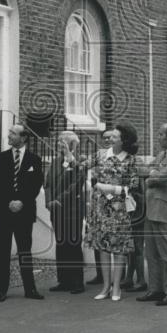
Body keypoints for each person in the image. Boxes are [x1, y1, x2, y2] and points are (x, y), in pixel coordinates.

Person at [0, 124, 45, 301]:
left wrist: (22, 201)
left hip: (24, 212)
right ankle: (1, 290)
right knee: (3, 251)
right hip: (4, 211)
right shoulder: (0, 158)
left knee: (25, 251)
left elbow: (36, 185)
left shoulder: (34, 159)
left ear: (23, 138)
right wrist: (9, 202)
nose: (9, 135)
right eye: (9, 132)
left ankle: (30, 289)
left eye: (13, 133)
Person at [84, 125, 139, 301]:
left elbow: (134, 185)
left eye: (115, 137)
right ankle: (106, 286)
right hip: (100, 206)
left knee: (119, 247)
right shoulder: (100, 154)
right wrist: (69, 155)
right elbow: (80, 165)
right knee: (103, 247)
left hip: (119, 208)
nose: (110, 139)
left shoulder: (130, 160)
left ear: (123, 141)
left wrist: (108, 188)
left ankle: (116, 287)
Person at [138, 123, 167, 307]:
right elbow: (145, 171)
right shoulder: (162, 155)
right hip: (151, 208)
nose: (158, 137)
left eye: (161, 134)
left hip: (164, 208)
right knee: (151, 252)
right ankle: (155, 288)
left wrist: (152, 174)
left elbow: (161, 177)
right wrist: (152, 173)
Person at [44, 130, 87, 294]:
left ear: (72, 144)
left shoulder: (80, 161)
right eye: (58, 141)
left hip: (72, 209)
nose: (58, 144)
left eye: (62, 141)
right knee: (61, 243)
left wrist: (59, 200)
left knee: (73, 243)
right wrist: (48, 201)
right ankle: (64, 280)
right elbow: (47, 183)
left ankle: (77, 282)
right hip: (56, 210)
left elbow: (77, 182)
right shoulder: (54, 162)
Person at [87, 129, 116, 286]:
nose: (107, 140)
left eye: (110, 137)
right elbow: (85, 167)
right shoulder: (98, 154)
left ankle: (118, 277)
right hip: (97, 201)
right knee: (97, 238)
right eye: (104, 138)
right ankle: (100, 274)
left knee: (113, 239)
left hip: (114, 202)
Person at [122, 158, 148, 293]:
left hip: (138, 210)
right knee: (130, 246)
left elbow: (143, 192)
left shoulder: (138, 165)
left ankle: (141, 280)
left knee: (138, 245)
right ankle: (129, 277)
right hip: (129, 209)